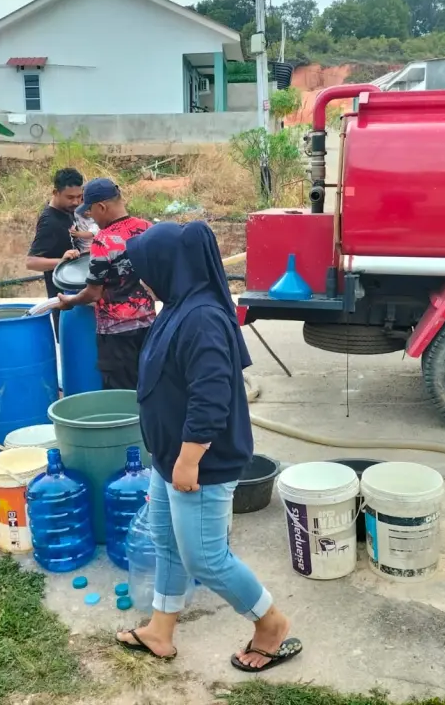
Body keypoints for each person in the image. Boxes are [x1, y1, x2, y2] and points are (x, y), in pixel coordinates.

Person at [116, 221, 301, 672]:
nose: (141, 277)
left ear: (166, 266)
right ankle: (161, 631)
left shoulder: (200, 317)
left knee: (206, 557)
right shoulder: (179, 305)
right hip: (170, 458)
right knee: (168, 543)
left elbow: (212, 394)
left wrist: (188, 459)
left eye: (145, 268)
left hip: (199, 463)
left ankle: (271, 623)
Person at [56, 178, 155, 390]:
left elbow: (93, 293)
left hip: (117, 336)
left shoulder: (103, 240)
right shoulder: (148, 228)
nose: (90, 217)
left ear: (102, 206)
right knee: (147, 388)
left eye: (90, 211)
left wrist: (70, 301)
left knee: (120, 395)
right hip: (148, 327)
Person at [26, 168, 83, 339]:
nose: (76, 202)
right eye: (70, 197)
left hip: (76, 296)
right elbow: (31, 262)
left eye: (79, 196)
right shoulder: (49, 222)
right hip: (62, 299)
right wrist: (62, 260)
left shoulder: (67, 212)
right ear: (55, 193)